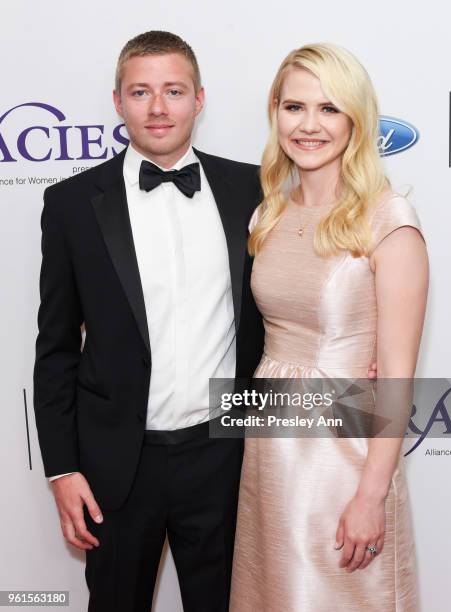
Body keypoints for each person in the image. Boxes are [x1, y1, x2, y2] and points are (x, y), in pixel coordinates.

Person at [33, 30, 265, 612]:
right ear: (117, 102)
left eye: (173, 91)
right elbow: (56, 348)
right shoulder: (70, 205)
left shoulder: (252, 189)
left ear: (200, 99)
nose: (158, 108)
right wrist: (61, 470)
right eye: (140, 92)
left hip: (223, 456)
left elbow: (289, 303)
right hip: (116, 469)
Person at [230, 43, 428, 611]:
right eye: (294, 107)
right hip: (270, 444)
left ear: (356, 121)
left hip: (345, 450)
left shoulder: (389, 221)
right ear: (275, 111)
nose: (309, 125)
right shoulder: (268, 213)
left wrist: (372, 493)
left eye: (329, 109)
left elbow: (393, 377)